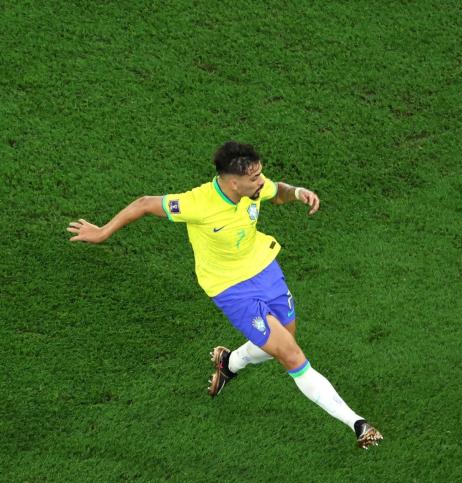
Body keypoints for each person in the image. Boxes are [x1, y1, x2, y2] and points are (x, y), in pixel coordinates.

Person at [67, 141, 383, 449]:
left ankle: (229, 363)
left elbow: (279, 193)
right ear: (233, 182)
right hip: (231, 289)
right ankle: (358, 424)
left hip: (264, 268)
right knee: (291, 354)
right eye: (255, 178)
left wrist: (298, 193)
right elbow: (145, 203)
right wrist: (103, 232)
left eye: (261, 174)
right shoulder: (198, 204)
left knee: (286, 338)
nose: (262, 181)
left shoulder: (255, 188)